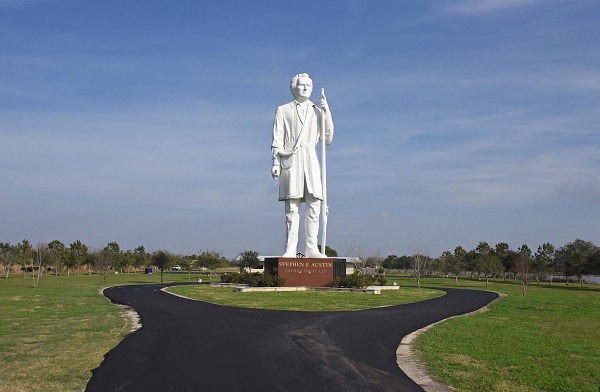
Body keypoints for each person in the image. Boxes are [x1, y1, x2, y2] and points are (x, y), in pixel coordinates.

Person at [271, 73, 334, 258]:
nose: (305, 88)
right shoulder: (283, 110)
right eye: (302, 85)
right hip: (291, 159)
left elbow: (327, 139)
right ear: (293, 88)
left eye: (308, 85)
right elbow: (277, 139)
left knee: (314, 204)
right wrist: (275, 161)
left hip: (311, 158)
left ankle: (311, 247)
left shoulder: (317, 111)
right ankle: (290, 247)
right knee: (292, 207)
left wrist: (327, 112)